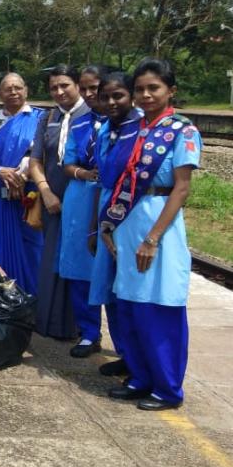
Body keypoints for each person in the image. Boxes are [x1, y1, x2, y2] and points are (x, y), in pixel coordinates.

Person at [101, 59, 200, 411]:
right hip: (130, 222)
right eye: (140, 89)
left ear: (170, 90)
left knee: (159, 305)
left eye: (153, 88)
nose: (145, 95)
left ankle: (167, 388)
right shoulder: (138, 129)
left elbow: (182, 189)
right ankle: (141, 377)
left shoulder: (182, 131)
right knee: (130, 303)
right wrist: (109, 224)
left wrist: (153, 237)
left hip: (159, 223)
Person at [29, 64, 89, 339]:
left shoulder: (92, 115)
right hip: (53, 199)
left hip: (85, 199)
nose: (59, 91)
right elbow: (36, 160)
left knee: (79, 261)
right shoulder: (48, 117)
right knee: (52, 258)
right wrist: (45, 192)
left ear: (77, 84)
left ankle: (83, 327)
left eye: (65, 85)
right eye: (54, 87)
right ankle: (51, 323)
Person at [87, 71, 140, 378]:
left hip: (130, 215)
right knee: (111, 291)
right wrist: (95, 227)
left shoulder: (141, 129)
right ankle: (125, 353)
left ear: (130, 95)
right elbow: (100, 180)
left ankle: (140, 362)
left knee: (131, 290)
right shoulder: (106, 128)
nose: (111, 102)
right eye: (105, 96)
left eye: (118, 95)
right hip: (106, 212)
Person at [0, 72, 47, 295]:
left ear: (26, 90)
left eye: (18, 87)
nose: (13, 92)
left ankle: (35, 299)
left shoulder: (41, 118)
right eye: (7, 88)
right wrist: (0, 171)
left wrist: (21, 173)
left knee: (33, 246)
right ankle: (3, 297)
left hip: (29, 195)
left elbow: (47, 154)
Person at [60, 65, 110, 356]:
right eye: (86, 88)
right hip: (81, 197)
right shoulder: (78, 125)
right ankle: (89, 333)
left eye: (97, 88)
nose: (92, 94)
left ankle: (128, 345)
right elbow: (68, 163)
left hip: (114, 198)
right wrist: (85, 174)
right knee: (79, 266)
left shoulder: (133, 124)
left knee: (113, 269)